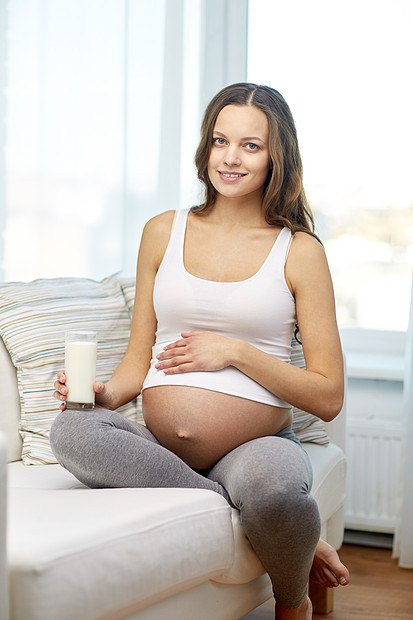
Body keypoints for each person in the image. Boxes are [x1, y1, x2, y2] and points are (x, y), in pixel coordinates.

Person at [51, 83, 349, 619]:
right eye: (220, 140)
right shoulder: (163, 231)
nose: (230, 158)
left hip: (255, 446)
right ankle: (284, 534)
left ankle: (292, 601)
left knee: (278, 493)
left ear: (278, 156)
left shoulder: (299, 251)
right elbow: (136, 363)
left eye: (251, 146)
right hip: (163, 448)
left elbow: (327, 396)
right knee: (71, 429)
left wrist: (235, 352)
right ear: (205, 148)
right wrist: (101, 393)